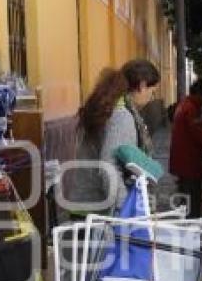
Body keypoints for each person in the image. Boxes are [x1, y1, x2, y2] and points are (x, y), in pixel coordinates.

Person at [67, 59, 160, 214]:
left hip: (85, 204)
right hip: (100, 213)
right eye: (152, 91)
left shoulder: (108, 105)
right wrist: (125, 211)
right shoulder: (121, 115)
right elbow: (109, 166)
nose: (151, 98)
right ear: (143, 85)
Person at [170, 79, 202, 217]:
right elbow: (200, 136)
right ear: (201, 94)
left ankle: (186, 223)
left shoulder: (185, 104)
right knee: (192, 198)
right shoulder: (191, 109)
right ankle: (192, 226)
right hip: (189, 162)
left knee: (185, 196)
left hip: (182, 161)